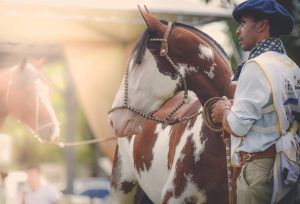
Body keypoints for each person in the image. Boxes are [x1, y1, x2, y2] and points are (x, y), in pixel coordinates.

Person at [210, 0, 300, 203]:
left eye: (243, 23)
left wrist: (224, 109)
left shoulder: (257, 66)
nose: (239, 30)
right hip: (287, 168)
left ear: (261, 25)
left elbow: (237, 126)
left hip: (259, 172)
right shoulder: (291, 66)